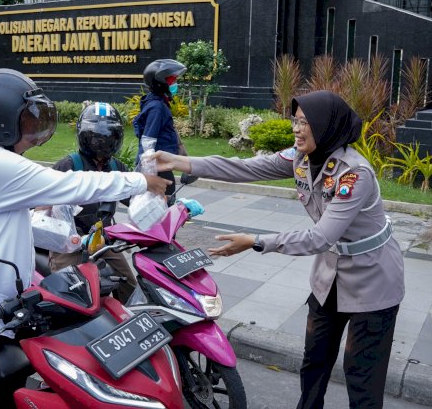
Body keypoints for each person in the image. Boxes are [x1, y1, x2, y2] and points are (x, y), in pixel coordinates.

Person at [0, 68, 170, 408]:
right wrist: (142, 182)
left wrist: (73, 242)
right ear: (1, 121)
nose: (35, 127)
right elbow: (73, 185)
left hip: (6, 313)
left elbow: (25, 221)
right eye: (28, 120)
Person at [153, 90, 404, 409]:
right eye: (295, 121)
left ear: (326, 126)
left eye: (305, 123)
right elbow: (246, 168)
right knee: (314, 362)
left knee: (362, 377)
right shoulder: (301, 158)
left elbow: (319, 238)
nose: (296, 129)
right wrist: (182, 161)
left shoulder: (354, 174)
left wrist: (256, 242)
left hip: (373, 280)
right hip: (330, 277)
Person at [48, 101, 137, 302]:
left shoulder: (116, 166)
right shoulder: (69, 165)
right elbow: (41, 206)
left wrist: (162, 207)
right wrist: (73, 237)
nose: (102, 142)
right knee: (74, 295)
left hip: (102, 242)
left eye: (108, 136)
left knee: (129, 284)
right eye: (96, 137)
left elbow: (135, 198)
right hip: (69, 244)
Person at [133, 59, 187, 202]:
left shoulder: (159, 103)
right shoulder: (156, 107)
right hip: (157, 169)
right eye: (171, 80)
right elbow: (148, 141)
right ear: (160, 83)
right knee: (161, 211)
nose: (174, 84)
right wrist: (146, 171)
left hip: (162, 164)